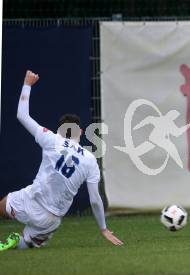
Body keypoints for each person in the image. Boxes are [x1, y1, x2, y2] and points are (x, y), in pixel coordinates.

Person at [0, 70, 123, 251]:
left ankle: (16, 238)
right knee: (26, 246)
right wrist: (103, 229)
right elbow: (95, 199)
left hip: (31, 201)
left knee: (2, 205)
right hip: (51, 220)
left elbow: (22, 116)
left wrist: (27, 84)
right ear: (80, 132)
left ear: (60, 130)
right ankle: (20, 241)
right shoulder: (90, 160)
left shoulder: (51, 139)